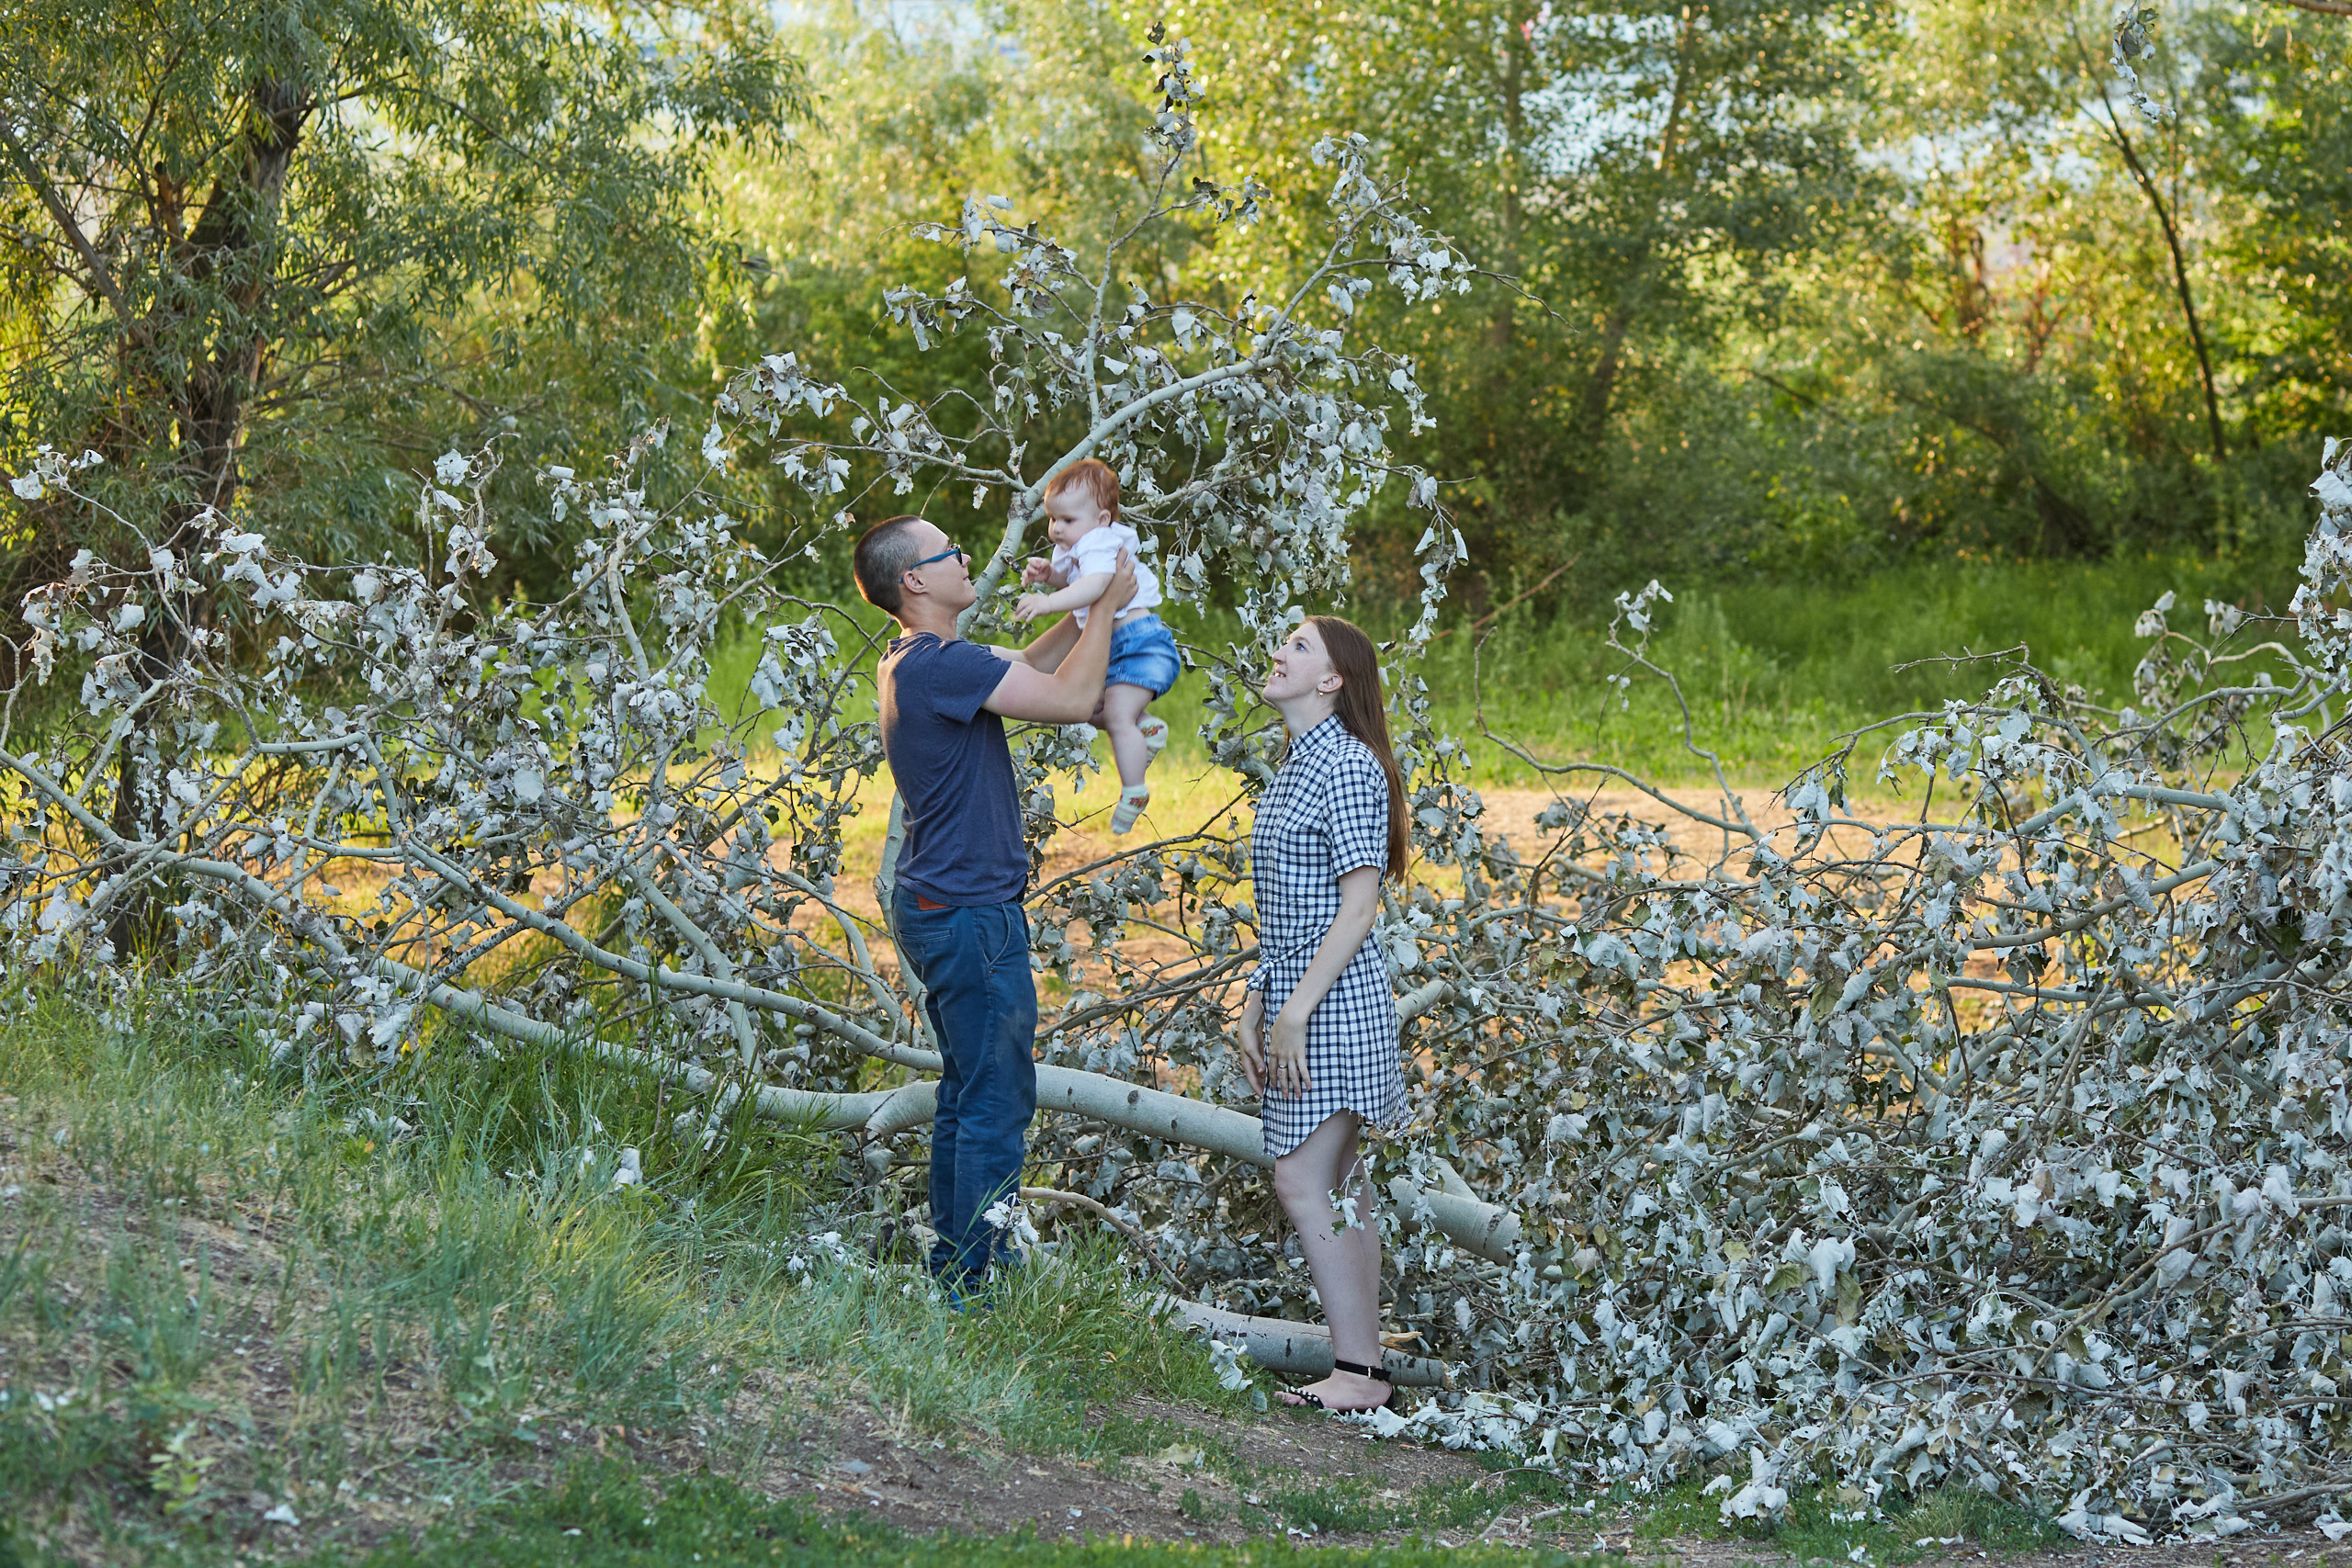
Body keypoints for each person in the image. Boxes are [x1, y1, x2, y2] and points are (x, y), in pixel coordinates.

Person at [855, 513, 1138, 1293]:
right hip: (971, 912)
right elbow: (1074, 696)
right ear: (914, 580)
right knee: (995, 1099)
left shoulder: (923, 659)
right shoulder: (940, 664)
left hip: (942, 904)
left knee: (967, 1089)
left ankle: (955, 1262)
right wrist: (1110, 604)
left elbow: (1029, 663)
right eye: (949, 551)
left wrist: (1080, 607)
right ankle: (971, 1283)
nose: (966, 554)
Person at [1235, 615, 1412, 1414]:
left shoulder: (1345, 766)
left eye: (1300, 647)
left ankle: (1359, 1372)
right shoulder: (1299, 766)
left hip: (1335, 1004)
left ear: (1334, 679)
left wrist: (1295, 1011)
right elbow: (1286, 910)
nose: (1281, 653)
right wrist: (1254, 1001)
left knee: (1303, 1177)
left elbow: (1358, 906)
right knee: (1337, 1180)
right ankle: (1363, 1367)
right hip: (1303, 995)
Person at [1012, 458, 1183, 834]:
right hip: (1118, 647)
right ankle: (1146, 729)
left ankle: (1134, 790)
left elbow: (1095, 587)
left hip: (1139, 645)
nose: (1056, 529)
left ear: (1103, 519)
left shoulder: (1100, 542)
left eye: (1067, 521)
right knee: (1092, 709)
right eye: (1052, 519)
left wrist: (1047, 603)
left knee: (1117, 717)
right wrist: (1052, 577)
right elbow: (1078, 579)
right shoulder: (1081, 545)